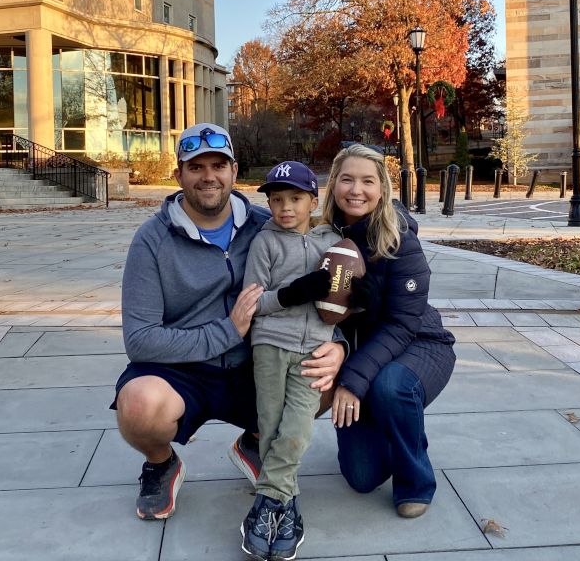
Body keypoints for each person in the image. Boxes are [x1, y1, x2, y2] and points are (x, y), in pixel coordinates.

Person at [111, 123, 345, 522]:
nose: (208, 176)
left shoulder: (268, 225)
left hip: (255, 364)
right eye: (196, 167)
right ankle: (161, 463)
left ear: (234, 171)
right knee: (138, 404)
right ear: (179, 174)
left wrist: (338, 342)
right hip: (182, 370)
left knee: (324, 376)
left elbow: (316, 288)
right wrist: (227, 331)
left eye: (218, 165)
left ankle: (255, 442)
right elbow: (141, 341)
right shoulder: (152, 239)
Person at [322, 144, 456, 518]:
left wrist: (352, 381)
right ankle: (389, 425)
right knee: (362, 478)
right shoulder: (323, 237)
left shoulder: (399, 239)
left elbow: (401, 324)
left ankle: (416, 481)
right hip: (363, 352)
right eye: (347, 179)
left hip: (418, 345)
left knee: (390, 387)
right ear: (333, 184)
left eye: (367, 181)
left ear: (382, 188)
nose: (356, 190)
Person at [240, 161, 339, 561]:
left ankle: (266, 504)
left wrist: (354, 296)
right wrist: (293, 292)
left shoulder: (331, 242)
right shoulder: (264, 243)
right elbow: (252, 304)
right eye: (276, 200)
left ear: (313, 201)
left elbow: (345, 294)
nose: (285, 208)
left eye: (295, 198)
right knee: (271, 425)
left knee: (296, 430)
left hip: (314, 349)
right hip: (269, 346)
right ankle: (286, 505)